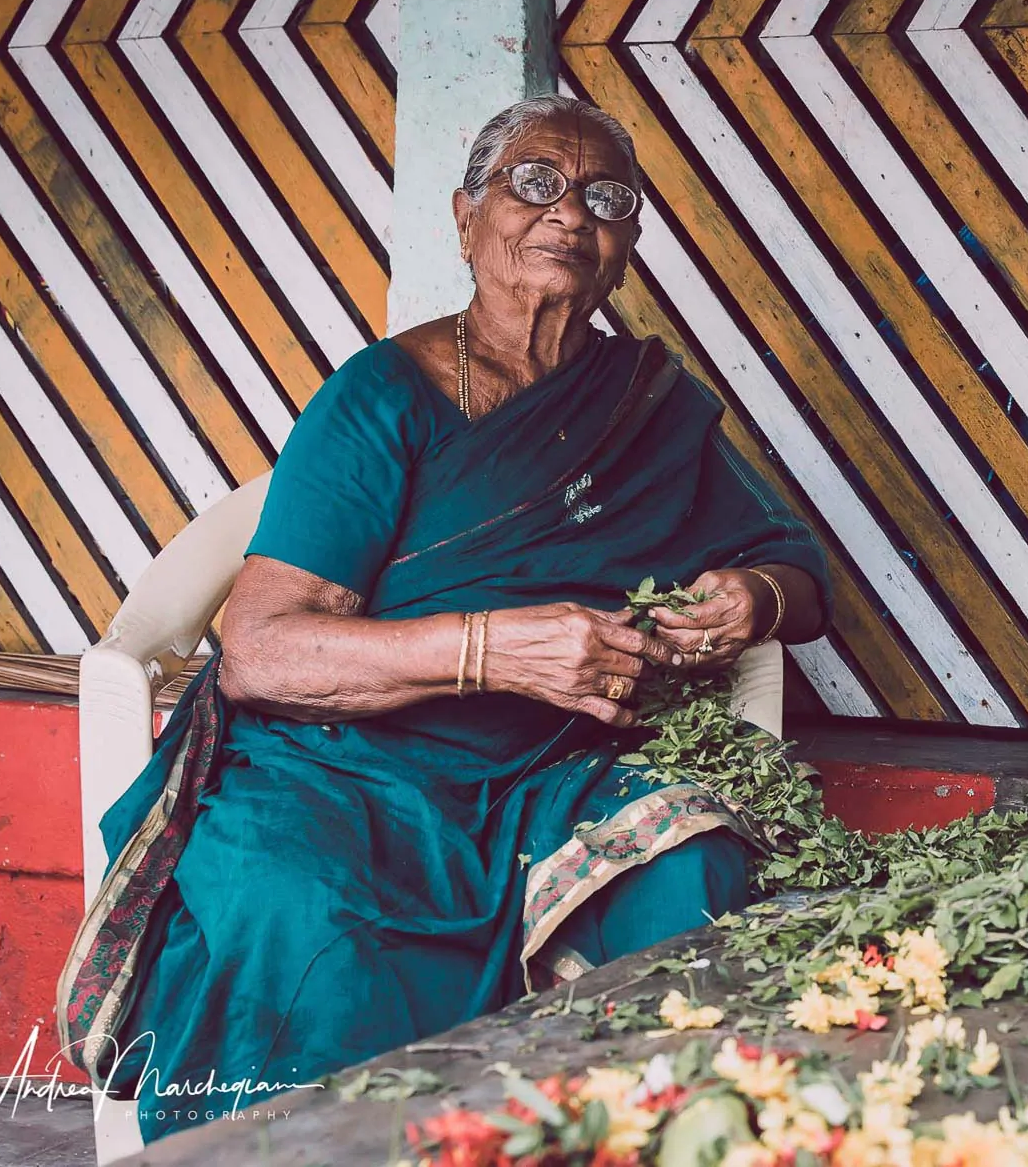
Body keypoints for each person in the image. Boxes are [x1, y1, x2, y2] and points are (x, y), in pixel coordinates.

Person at [55, 95, 830, 1142]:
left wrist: (753, 597)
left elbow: (799, 569)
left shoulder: (647, 403)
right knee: (308, 918)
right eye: (537, 183)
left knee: (688, 862)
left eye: (606, 196)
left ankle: (622, 1138)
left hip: (560, 769)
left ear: (627, 245)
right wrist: (493, 648)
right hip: (344, 762)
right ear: (467, 221)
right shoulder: (382, 396)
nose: (571, 214)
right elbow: (262, 651)